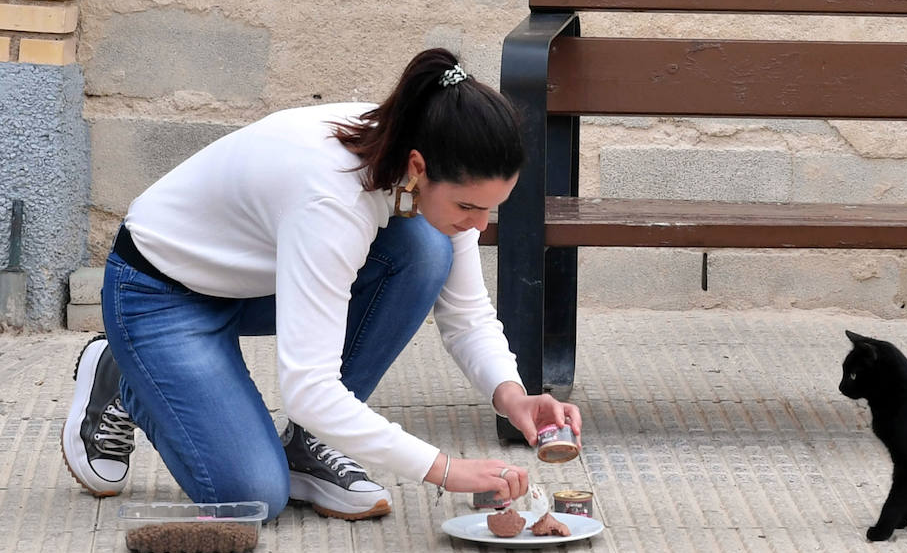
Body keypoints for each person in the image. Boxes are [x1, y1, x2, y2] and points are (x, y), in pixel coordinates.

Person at [61, 48, 579, 521]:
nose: (481, 224)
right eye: (469, 206)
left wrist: (512, 395)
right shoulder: (332, 200)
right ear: (419, 168)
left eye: (492, 208)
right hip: (157, 294)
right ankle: (124, 373)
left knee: (425, 249)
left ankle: (310, 447)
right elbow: (308, 387)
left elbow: (466, 314)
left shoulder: (425, 151)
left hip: (256, 279)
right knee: (254, 497)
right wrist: (442, 468)